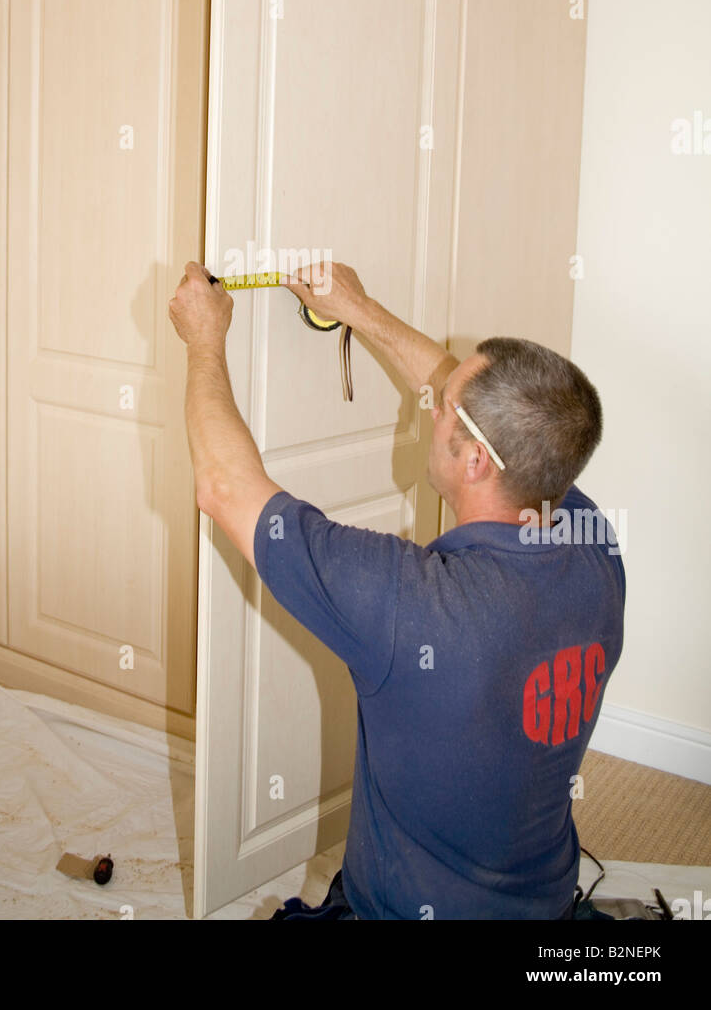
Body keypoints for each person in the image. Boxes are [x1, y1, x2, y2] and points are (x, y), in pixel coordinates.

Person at [168, 259, 625, 920]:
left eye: (444, 407)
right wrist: (359, 309)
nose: (433, 398)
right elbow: (466, 397)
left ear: (473, 460)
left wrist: (205, 342)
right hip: (542, 904)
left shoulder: (413, 604)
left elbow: (225, 488)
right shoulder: (592, 542)